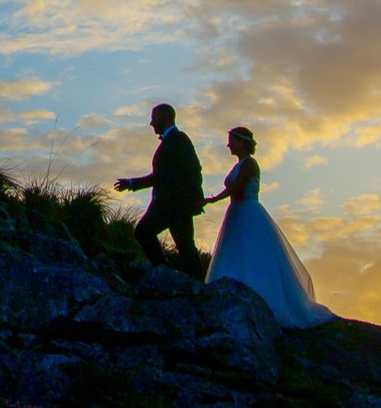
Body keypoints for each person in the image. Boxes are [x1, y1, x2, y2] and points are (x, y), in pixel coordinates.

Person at [203, 126, 334, 328]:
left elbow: (236, 187)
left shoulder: (249, 164)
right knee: (237, 254)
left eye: (232, 140)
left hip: (248, 213)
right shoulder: (240, 165)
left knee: (253, 255)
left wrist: (212, 200)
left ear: (242, 142)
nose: (228, 145)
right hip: (237, 213)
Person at [113, 103, 203, 272]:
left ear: (165, 118)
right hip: (167, 205)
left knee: (177, 243)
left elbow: (193, 171)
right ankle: (172, 273)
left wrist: (195, 199)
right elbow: (163, 176)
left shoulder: (179, 139)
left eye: (154, 118)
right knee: (182, 245)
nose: (151, 123)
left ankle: (172, 274)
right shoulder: (171, 141)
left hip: (175, 205)